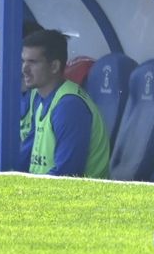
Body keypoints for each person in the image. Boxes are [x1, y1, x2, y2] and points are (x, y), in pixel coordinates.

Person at [17, 29, 111, 178]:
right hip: (43, 190)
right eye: (23, 61)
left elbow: (66, 176)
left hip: (80, 198)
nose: (24, 69)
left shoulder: (69, 106)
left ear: (54, 66)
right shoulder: (41, 98)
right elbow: (25, 156)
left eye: (33, 62)